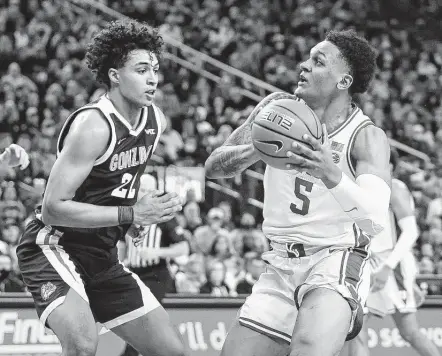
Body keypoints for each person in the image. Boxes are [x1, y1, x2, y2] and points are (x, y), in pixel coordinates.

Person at [205, 29, 392, 356]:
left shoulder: (366, 137)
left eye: (317, 62)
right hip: (279, 262)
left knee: (308, 348)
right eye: (307, 58)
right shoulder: (275, 109)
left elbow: (375, 220)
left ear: (344, 81)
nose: (303, 66)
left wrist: (328, 171)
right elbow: (214, 166)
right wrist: (259, 148)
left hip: (334, 258)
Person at [16, 20, 185, 356]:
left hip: (102, 254)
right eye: (140, 69)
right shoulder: (93, 125)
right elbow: (53, 207)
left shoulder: (155, 120)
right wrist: (131, 212)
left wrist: (137, 212)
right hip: (54, 244)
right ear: (114, 75)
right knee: (82, 344)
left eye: (154, 68)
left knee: (172, 351)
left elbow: (114, 184)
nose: (152, 78)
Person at [343, 151, 440, 356]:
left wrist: (387, 268)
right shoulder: (363, 188)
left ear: (390, 167)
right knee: (354, 328)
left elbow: (411, 232)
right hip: (365, 263)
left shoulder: (394, 188)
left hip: (390, 264)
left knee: (409, 331)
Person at [118, 174, 190, 356]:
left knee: (143, 317)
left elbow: (183, 248)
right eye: (142, 190)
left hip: (156, 274)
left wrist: (156, 252)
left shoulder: (164, 217)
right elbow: (121, 244)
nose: (146, 194)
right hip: (132, 272)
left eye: (150, 191)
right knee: (136, 320)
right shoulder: (127, 214)